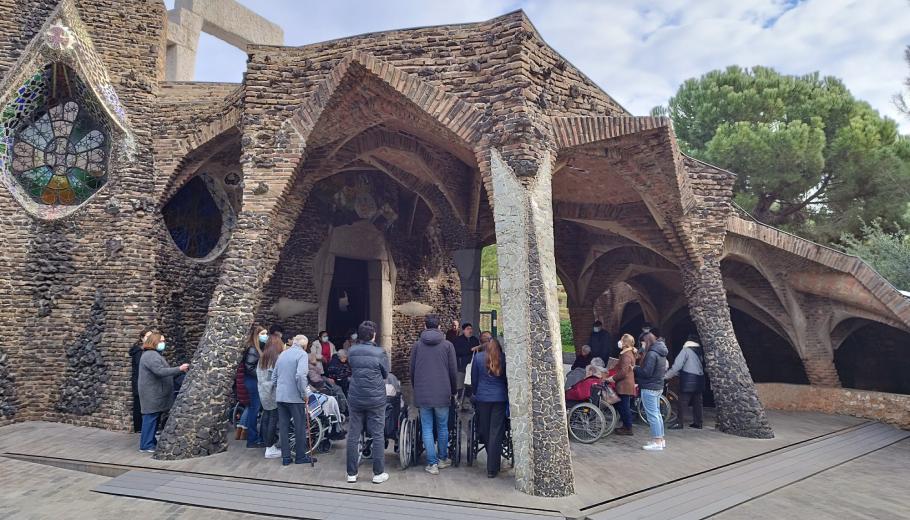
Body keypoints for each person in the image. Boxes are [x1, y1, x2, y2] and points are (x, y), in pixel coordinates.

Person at [409, 314, 457, 475]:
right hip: (443, 393)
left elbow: (412, 370)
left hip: (423, 393)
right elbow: (452, 371)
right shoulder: (448, 346)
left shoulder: (417, 346)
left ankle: (432, 463)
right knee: (443, 426)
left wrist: (417, 387)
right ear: (439, 327)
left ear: (424, 326)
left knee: (427, 428)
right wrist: (453, 390)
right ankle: (443, 459)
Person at [346, 321, 390, 484]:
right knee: (378, 434)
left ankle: (351, 473)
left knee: (353, 434)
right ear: (373, 335)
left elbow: (352, 367)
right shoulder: (380, 352)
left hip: (356, 396)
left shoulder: (352, 351)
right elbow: (385, 373)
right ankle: (378, 474)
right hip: (376, 398)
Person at [137, 331, 188, 453]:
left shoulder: (152, 354)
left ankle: (150, 442)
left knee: (153, 418)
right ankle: (146, 445)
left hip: (154, 393)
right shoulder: (151, 356)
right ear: (154, 342)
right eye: (161, 341)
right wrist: (179, 369)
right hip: (152, 394)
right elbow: (160, 371)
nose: (163, 343)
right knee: (150, 418)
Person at [272, 334, 316, 466]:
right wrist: (304, 393)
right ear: (305, 345)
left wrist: (279, 389)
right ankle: (300, 457)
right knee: (300, 427)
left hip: (281, 396)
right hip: (295, 397)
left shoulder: (283, 354)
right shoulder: (302, 354)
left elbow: (274, 376)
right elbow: (301, 376)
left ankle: (286, 458)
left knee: (284, 427)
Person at [471, 337, 508, 478]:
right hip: (499, 398)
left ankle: (490, 458)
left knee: (485, 430)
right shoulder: (503, 358)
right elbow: (506, 379)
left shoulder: (479, 357)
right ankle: (492, 468)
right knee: (496, 431)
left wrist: (476, 392)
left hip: (483, 398)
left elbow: (474, 379)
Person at [634, 332, 668, 451]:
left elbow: (647, 372)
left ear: (646, 341)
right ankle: (660, 439)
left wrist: (635, 369)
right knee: (657, 414)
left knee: (652, 415)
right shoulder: (661, 352)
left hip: (649, 387)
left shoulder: (652, 354)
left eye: (642, 342)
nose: (641, 345)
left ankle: (657, 441)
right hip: (658, 386)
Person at [664, 337, 705, 430]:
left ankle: (679, 423)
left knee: (682, 402)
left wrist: (666, 376)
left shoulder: (686, 350)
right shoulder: (699, 351)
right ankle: (698, 423)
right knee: (697, 402)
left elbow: (677, 365)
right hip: (700, 379)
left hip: (688, 378)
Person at [257, 336, 283, 459]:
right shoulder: (275, 359)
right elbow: (276, 377)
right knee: (273, 419)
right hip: (272, 393)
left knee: (266, 417)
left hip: (263, 392)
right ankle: (270, 448)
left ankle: (267, 444)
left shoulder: (262, 357)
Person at [605, 334, 636, 436]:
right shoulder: (628, 353)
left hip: (624, 385)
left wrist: (612, 378)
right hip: (625, 384)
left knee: (623, 406)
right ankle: (626, 426)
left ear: (625, 343)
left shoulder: (626, 355)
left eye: (622, 340)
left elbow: (623, 372)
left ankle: (628, 428)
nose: (620, 342)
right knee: (622, 405)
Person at [242, 324, 267, 448]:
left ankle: (254, 437)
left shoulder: (258, 348)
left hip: (254, 381)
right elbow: (249, 367)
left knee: (255, 409)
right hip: (253, 382)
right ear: (257, 335)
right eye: (263, 334)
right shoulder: (253, 349)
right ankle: (252, 439)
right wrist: (261, 376)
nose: (265, 336)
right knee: (254, 409)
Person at [129, 328, 152, 433]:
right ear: (142, 338)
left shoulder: (146, 350)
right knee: (138, 404)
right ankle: (139, 427)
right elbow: (140, 367)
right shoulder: (139, 351)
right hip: (139, 381)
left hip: (142, 381)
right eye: (147, 337)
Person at [452, 323, 480, 405]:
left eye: (471, 329)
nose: (470, 331)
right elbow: (457, 351)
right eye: (468, 329)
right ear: (463, 330)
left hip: (472, 366)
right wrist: (470, 350)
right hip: (461, 367)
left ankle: (466, 403)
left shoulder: (474, 340)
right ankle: (458, 402)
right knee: (460, 386)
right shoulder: (458, 340)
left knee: (470, 386)